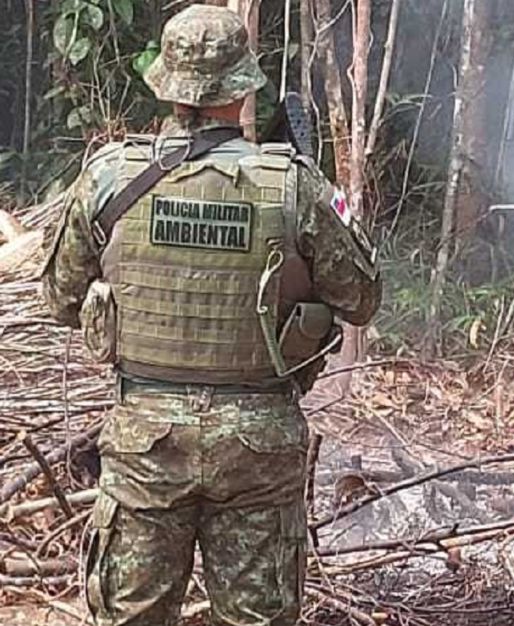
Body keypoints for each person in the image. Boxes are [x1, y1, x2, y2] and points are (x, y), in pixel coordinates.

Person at [40, 5, 381, 626]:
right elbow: (361, 298)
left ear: (165, 84)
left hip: (145, 441)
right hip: (259, 443)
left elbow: (61, 297)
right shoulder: (291, 185)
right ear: (244, 85)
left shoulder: (110, 178)